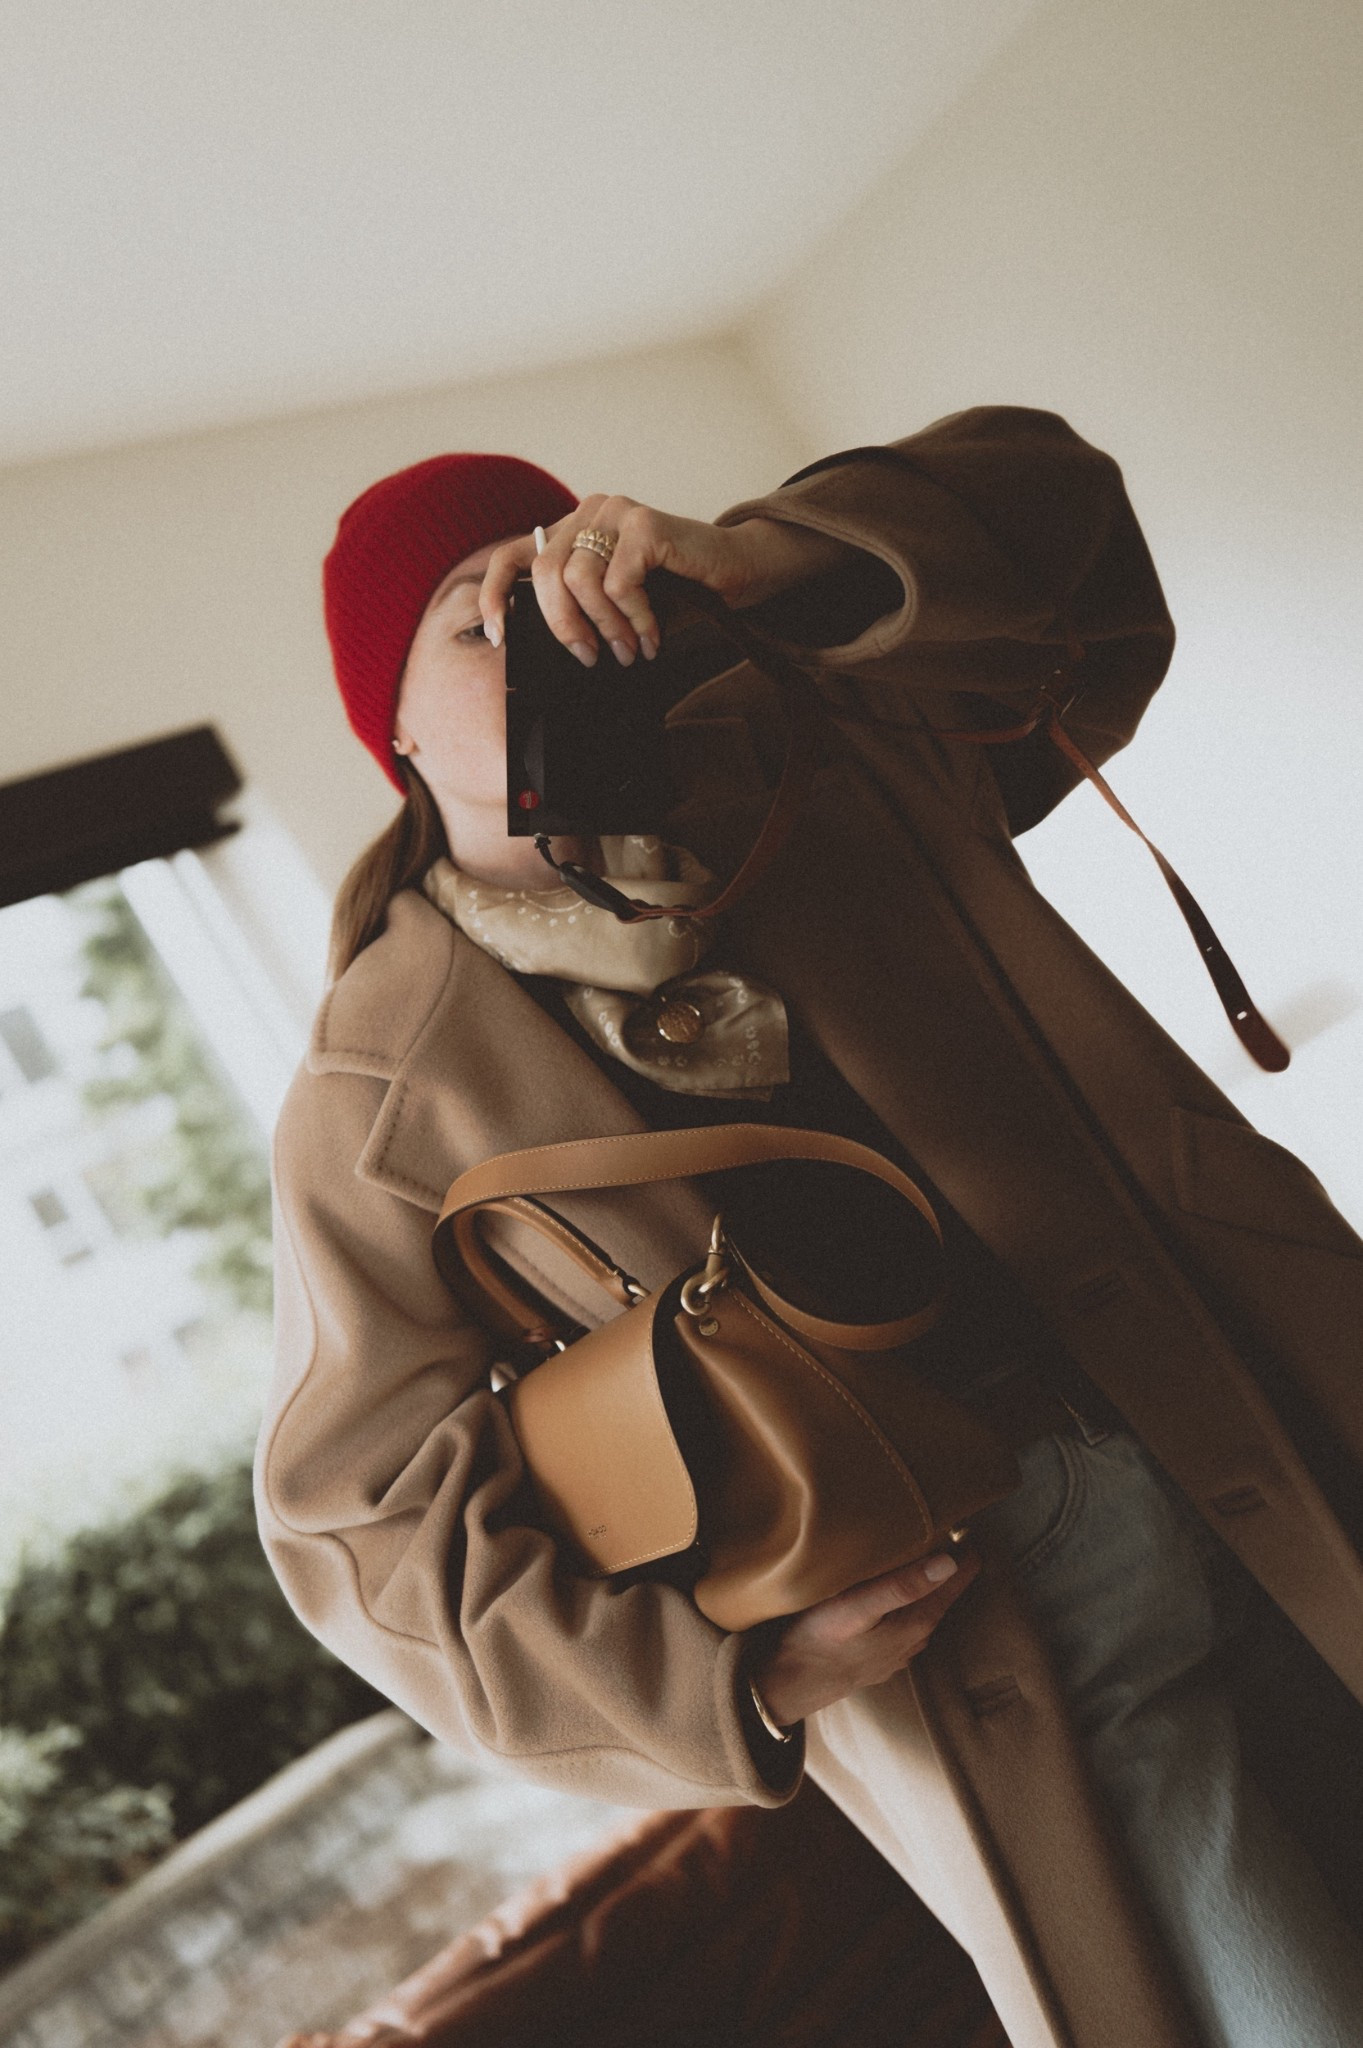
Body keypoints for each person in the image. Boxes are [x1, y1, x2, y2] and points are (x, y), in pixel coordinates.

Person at [257, 412, 1363, 2048]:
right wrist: (722, 1679)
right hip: (1003, 1635)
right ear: (392, 733)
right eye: (469, 612)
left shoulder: (830, 752)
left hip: (1268, 1412)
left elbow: (1070, 540)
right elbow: (354, 1522)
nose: (528, 622)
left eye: (553, 575)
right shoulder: (377, 1083)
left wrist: (748, 565)